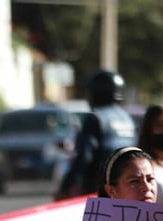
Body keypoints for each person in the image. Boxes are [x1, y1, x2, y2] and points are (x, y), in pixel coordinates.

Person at [56, 69, 136, 200]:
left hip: (98, 191)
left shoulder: (96, 118)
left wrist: (66, 186)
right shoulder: (126, 118)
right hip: (125, 190)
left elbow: (84, 156)